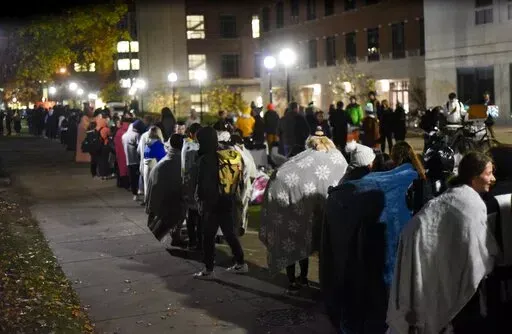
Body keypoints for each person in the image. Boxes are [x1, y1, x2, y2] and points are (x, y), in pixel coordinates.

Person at [388, 151, 498, 334]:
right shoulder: (471, 204)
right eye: (488, 174)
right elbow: (475, 254)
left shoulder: (454, 196)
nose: (492, 178)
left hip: (427, 266)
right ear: (474, 176)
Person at [193, 126, 248, 278]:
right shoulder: (225, 153)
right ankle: (241, 263)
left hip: (212, 203)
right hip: (227, 198)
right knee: (229, 233)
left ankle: (208, 269)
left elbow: (203, 183)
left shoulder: (205, 159)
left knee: (208, 235)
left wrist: (200, 200)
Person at [146, 133, 187, 242]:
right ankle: (174, 236)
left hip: (157, 202)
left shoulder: (165, 161)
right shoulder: (180, 162)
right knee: (163, 226)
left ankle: (175, 236)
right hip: (170, 206)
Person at [182, 123, 203, 250]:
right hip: (193, 184)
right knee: (197, 215)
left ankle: (193, 241)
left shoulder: (186, 145)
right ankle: (197, 241)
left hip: (187, 184)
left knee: (191, 214)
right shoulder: (193, 147)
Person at [122, 120, 146, 201]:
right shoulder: (137, 135)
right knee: (139, 177)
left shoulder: (124, 136)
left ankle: (134, 194)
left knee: (132, 178)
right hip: (136, 160)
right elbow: (139, 148)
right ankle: (140, 191)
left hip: (128, 160)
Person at [142, 126, 166, 204]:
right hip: (156, 171)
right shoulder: (159, 146)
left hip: (147, 170)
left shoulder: (147, 145)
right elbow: (163, 159)